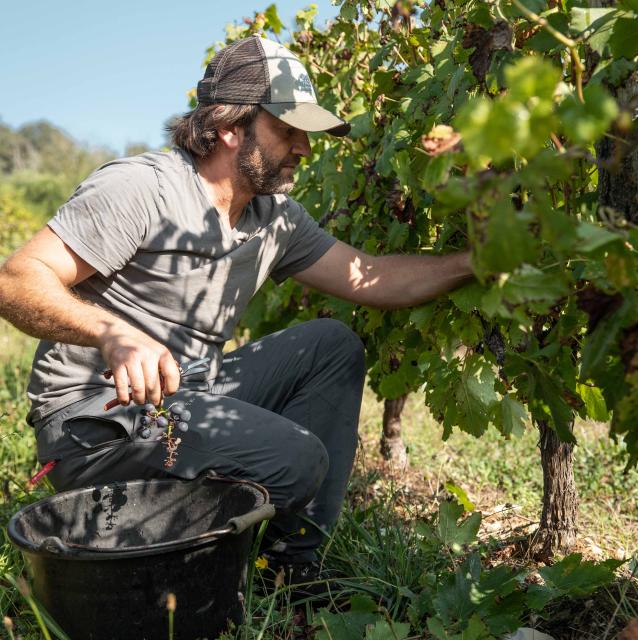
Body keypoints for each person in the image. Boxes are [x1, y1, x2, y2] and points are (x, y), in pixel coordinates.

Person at [0, 35, 472, 588]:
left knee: (332, 345)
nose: (303, 148)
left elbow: (376, 278)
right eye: (288, 130)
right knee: (295, 461)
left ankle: (292, 573)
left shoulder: (275, 219)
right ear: (230, 127)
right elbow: (16, 280)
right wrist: (111, 333)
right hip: (96, 424)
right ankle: (176, 560)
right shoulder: (141, 189)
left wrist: (476, 262)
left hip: (188, 396)